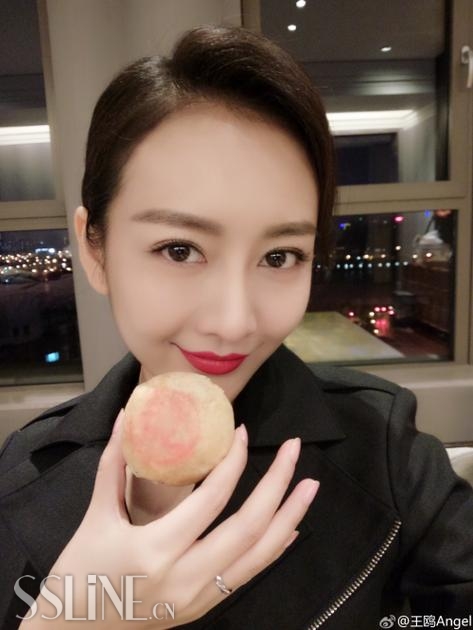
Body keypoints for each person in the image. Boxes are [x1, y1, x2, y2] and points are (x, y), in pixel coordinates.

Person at [0, 24, 472, 630]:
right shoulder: (22, 472)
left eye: (280, 256)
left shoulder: (384, 450)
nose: (233, 322)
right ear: (94, 249)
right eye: (179, 249)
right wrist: (75, 618)